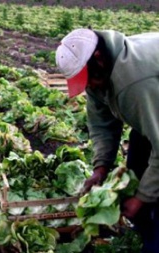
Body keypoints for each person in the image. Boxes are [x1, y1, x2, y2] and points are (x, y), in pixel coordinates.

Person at [55, 28, 159, 252]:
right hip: (153, 112)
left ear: (98, 58)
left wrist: (142, 197)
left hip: (150, 98)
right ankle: (142, 234)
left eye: (88, 78)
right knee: (137, 168)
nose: (89, 85)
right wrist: (100, 168)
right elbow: (102, 125)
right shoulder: (99, 74)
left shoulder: (135, 83)